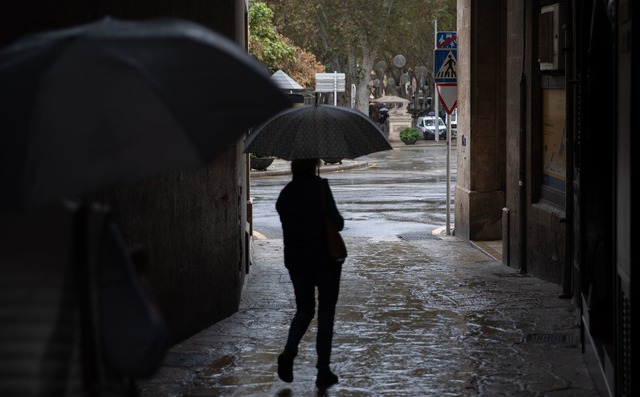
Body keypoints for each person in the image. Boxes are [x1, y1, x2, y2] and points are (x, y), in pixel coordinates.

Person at [275, 158, 345, 389]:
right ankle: (322, 370)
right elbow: (338, 223)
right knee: (326, 312)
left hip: (297, 262)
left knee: (304, 309)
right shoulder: (321, 188)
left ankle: (288, 352)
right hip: (325, 261)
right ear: (314, 164)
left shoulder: (286, 194)